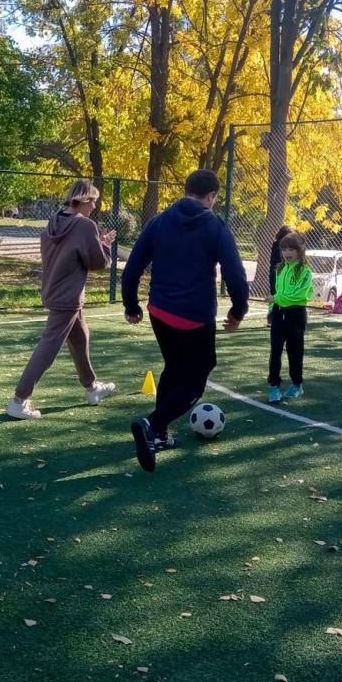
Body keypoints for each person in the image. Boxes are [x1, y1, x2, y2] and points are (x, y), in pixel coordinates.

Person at [122, 169, 250, 472]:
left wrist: (131, 305)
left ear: (186, 189)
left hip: (160, 312)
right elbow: (234, 273)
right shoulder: (215, 226)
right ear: (212, 197)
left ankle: (161, 435)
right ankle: (151, 424)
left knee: (175, 367)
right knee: (195, 379)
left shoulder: (159, 221)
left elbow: (132, 268)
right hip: (194, 316)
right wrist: (238, 311)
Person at [6, 180, 118, 420]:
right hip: (67, 297)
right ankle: (19, 400)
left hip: (56, 292)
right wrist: (105, 246)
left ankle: (92, 389)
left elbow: (73, 253)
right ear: (85, 200)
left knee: (80, 338)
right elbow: (98, 263)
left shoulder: (54, 221)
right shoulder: (85, 226)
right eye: (94, 201)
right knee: (48, 346)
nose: (95, 206)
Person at [267, 231, 312, 403]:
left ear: (300, 250)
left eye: (291, 249)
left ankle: (296, 384)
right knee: (276, 350)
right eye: (284, 248)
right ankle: (273, 386)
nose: (287, 252)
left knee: (295, 351)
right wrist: (272, 308)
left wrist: (276, 299)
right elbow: (278, 292)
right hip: (279, 314)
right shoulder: (280, 269)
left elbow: (301, 295)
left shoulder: (305, 271)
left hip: (296, 315)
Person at [266, 225, 292, 323]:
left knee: (274, 293)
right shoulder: (284, 246)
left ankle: (271, 318)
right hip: (280, 273)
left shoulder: (275, 244)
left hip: (274, 273)